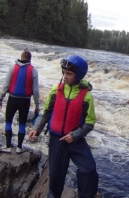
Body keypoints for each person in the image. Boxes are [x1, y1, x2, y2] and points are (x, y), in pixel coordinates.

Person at [28, 54, 99, 198]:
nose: (65, 76)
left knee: (89, 169)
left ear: (78, 75)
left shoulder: (86, 96)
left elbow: (90, 122)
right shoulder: (56, 90)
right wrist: (36, 128)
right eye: (64, 72)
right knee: (56, 177)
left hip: (75, 140)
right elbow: (46, 113)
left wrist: (76, 135)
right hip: (56, 141)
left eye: (69, 74)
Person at [0, 50, 40, 154]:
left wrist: (0, 98)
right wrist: (37, 105)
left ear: (21, 57)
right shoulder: (33, 70)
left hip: (12, 98)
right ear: (30, 59)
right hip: (25, 101)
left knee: (8, 121)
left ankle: (7, 146)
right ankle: (19, 147)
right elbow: (35, 90)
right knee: (22, 124)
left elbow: (6, 84)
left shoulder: (13, 67)